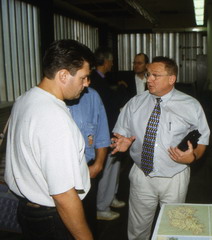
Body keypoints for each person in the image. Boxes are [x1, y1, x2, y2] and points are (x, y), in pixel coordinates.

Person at [110, 56, 210, 240]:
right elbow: (120, 132)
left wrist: (193, 157)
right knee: (137, 229)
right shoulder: (135, 103)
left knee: (172, 228)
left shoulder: (190, 105)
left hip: (174, 176)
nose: (149, 79)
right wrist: (122, 142)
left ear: (171, 79)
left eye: (155, 75)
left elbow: (203, 138)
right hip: (142, 175)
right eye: (148, 74)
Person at [5, 39, 94, 239]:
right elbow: (63, 195)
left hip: (28, 209)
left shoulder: (25, 99)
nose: (87, 84)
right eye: (84, 77)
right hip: (52, 217)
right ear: (63, 75)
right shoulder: (53, 118)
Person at [66, 85, 110, 237]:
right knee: (66, 225)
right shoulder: (47, 102)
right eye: (82, 77)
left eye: (88, 77)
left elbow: (102, 133)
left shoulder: (91, 96)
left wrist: (98, 164)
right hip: (61, 174)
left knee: (88, 221)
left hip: (87, 170)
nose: (87, 83)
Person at [90, 47, 125, 221]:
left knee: (114, 167)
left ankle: (110, 198)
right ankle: (101, 206)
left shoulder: (105, 79)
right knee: (106, 168)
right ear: (105, 61)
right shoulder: (94, 80)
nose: (112, 64)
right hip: (104, 132)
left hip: (113, 130)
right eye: (110, 60)